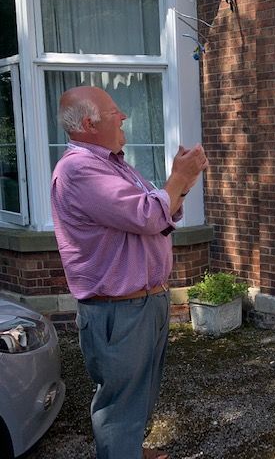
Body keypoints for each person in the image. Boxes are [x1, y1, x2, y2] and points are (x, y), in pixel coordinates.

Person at [51, 86, 208, 459]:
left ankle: (130, 451)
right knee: (120, 405)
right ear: (89, 123)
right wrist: (176, 182)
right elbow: (148, 214)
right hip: (118, 310)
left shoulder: (113, 163)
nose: (124, 117)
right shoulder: (78, 169)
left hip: (143, 302)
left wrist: (180, 184)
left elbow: (156, 213)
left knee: (142, 393)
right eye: (114, 112)